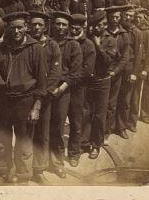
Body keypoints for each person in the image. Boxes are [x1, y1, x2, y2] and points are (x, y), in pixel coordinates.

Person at [0, 11, 47, 184]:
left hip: (25, 102)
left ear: (26, 28)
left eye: (20, 27)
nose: (16, 31)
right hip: (3, 101)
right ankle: (4, 171)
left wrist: (36, 107)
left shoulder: (35, 48)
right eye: (13, 28)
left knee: (24, 142)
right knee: (2, 140)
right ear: (8, 29)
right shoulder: (2, 48)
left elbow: (42, 83)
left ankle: (23, 176)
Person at [29, 11, 61, 185]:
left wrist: (43, 95)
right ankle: (24, 168)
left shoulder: (52, 46)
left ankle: (39, 169)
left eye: (40, 24)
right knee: (25, 133)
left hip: (45, 97)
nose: (37, 27)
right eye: (33, 24)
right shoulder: (25, 44)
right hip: (26, 97)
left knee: (42, 133)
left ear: (45, 26)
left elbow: (56, 74)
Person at [49, 11, 82, 178]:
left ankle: (57, 162)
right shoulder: (47, 42)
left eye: (64, 25)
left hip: (63, 91)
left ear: (68, 27)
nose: (60, 27)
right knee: (40, 126)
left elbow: (75, 74)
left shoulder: (73, 45)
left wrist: (59, 89)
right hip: (45, 90)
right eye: (58, 24)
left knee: (57, 127)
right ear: (53, 25)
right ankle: (38, 161)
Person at [83, 11, 116, 159]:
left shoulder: (110, 40)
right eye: (97, 24)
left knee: (99, 115)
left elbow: (108, 61)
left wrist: (98, 45)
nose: (100, 27)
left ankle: (96, 145)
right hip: (89, 81)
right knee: (86, 112)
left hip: (103, 81)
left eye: (103, 24)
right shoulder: (88, 38)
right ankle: (84, 142)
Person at [69, 14, 96, 165]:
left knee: (76, 121)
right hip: (64, 88)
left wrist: (69, 80)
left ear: (83, 28)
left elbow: (87, 70)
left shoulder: (88, 45)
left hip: (79, 88)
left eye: (77, 29)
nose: (73, 31)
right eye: (72, 28)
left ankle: (74, 153)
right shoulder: (66, 42)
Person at [115, 6, 143, 138]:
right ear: (122, 15)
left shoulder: (136, 32)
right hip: (115, 68)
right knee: (112, 97)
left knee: (125, 99)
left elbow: (138, 54)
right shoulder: (117, 29)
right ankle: (108, 126)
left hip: (128, 68)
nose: (128, 18)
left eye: (131, 16)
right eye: (126, 15)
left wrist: (134, 73)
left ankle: (121, 127)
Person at [104, 5, 130, 142]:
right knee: (99, 103)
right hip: (102, 73)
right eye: (112, 17)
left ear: (120, 18)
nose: (115, 19)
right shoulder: (103, 31)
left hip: (115, 74)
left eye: (117, 17)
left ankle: (107, 130)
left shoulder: (124, 34)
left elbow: (125, 57)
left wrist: (115, 72)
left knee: (111, 104)